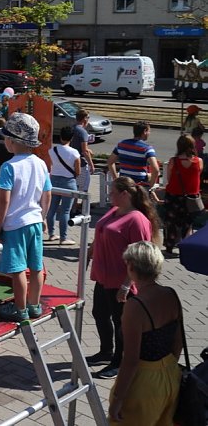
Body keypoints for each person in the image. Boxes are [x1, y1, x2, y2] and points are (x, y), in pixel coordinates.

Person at [87, 176, 161, 380]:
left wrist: (127, 285)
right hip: (103, 276)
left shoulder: (137, 220)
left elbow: (140, 255)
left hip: (121, 281)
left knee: (121, 322)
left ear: (125, 194)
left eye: (112, 192)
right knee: (99, 313)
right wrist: (91, 251)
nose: (109, 195)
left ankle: (119, 362)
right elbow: (101, 231)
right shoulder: (114, 210)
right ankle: (105, 352)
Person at [108, 241, 182, 425]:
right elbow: (178, 342)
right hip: (172, 375)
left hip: (145, 383)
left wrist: (118, 399)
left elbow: (131, 360)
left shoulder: (135, 306)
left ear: (132, 267)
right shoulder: (171, 294)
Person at [0, 112, 52, 322]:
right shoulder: (40, 163)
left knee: (17, 268)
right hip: (35, 220)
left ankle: (20, 308)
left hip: (15, 224)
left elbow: (3, 201)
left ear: (11, 141)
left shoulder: (9, 167)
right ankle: (34, 305)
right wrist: (43, 216)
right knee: (36, 266)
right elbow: (47, 194)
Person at [161, 133, 203, 254]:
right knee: (187, 223)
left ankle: (169, 246)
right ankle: (185, 246)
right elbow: (197, 176)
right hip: (191, 197)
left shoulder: (173, 161)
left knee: (171, 222)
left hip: (173, 195)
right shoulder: (198, 161)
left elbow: (169, 178)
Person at [47, 126, 81, 245]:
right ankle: (63, 237)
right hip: (69, 182)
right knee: (65, 211)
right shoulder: (74, 152)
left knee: (52, 209)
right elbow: (78, 171)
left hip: (54, 181)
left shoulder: (52, 150)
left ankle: (51, 234)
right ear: (71, 138)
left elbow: (52, 165)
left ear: (60, 136)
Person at [106, 121, 160, 191]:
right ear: (145, 131)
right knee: (156, 174)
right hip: (139, 182)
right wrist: (151, 184)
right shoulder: (147, 148)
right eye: (149, 131)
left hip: (124, 181)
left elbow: (110, 162)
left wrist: (115, 178)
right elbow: (155, 169)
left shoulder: (121, 144)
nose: (149, 134)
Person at [73, 109, 94, 213]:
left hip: (72, 162)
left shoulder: (72, 129)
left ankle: (74, 207)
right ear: (85, 119)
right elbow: (84, 151)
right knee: (83, 188)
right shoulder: (83, 132)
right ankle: (82, 210)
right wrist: (91, 164)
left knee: (75, 187)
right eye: (88, 118)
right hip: (81, 164)